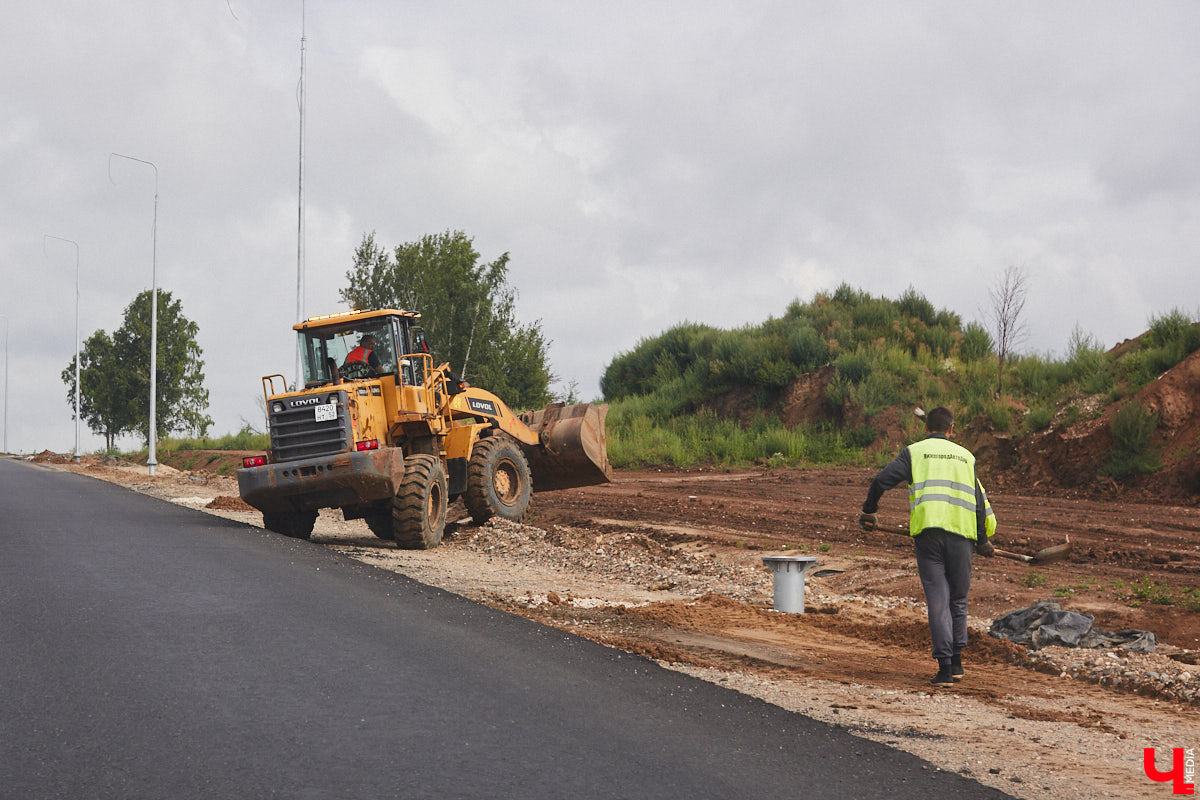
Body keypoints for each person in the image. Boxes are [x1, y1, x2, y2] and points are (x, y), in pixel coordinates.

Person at [857, 406, 997, 686]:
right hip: (962, 537)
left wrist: (869, 510)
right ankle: (957, 664)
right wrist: (982, 540)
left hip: (929, 537)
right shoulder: (966, 457)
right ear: (952, 429)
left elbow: (880, 480)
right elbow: (978, 502)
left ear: (925, 428)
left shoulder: (914, 452)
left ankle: (944, 668)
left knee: (938, 600)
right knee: (957, 600)